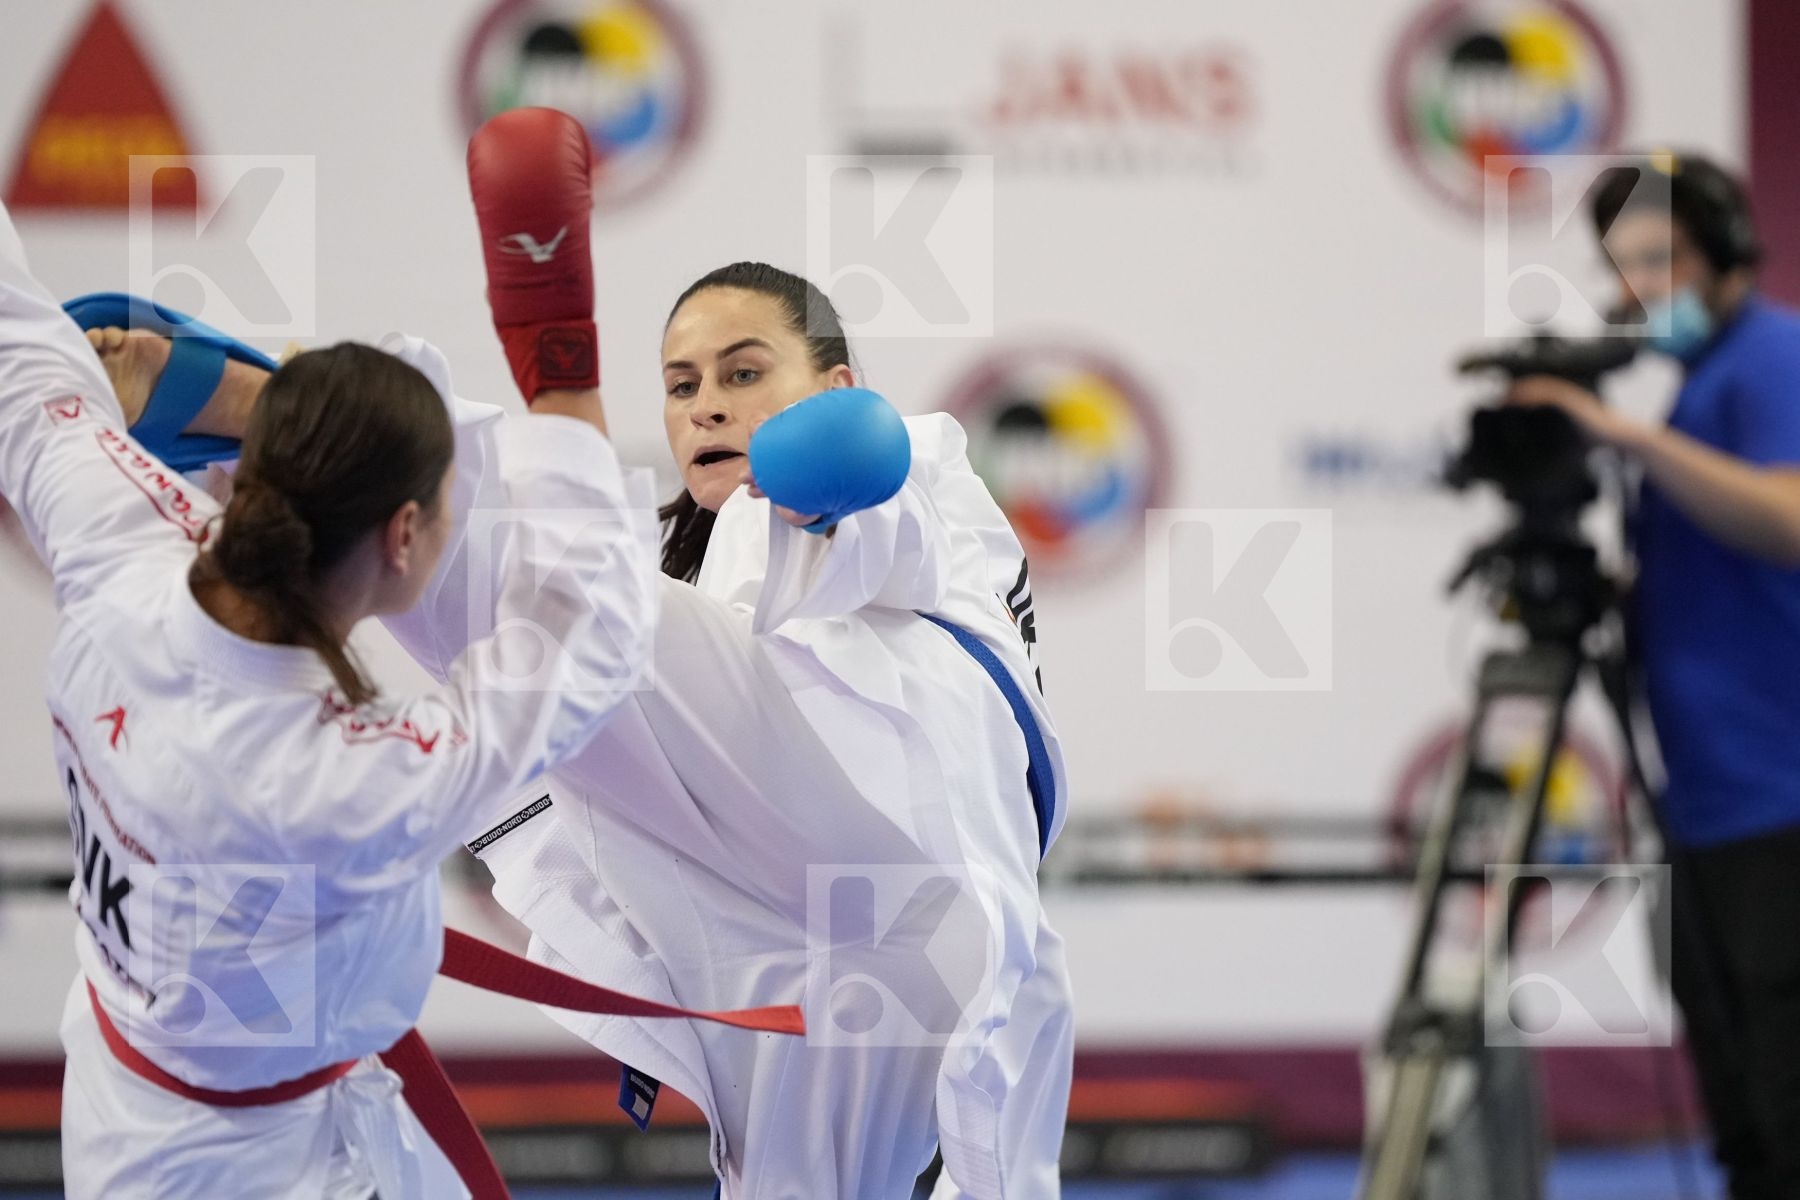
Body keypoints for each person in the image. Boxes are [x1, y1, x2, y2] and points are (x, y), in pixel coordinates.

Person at [111, 107, 1075, 1199]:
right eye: (681, 384)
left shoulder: (916, 469)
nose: (708, 401)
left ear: (839, 388)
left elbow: (880, 522)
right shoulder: (674, 567)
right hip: (790, 945)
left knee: (584, 613)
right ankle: (282, 447)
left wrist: (819, 493)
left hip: (896, 833)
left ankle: (283, 417)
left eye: (745, 371)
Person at [0, 194, 659, 1198]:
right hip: (249, 1172)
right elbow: (588, 633)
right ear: (402, 535)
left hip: (154, 1089)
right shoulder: (347, 775)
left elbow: (19, 348)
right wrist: (558, 357)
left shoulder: (118, 547)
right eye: (447, 506)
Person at [1506, 152, 1800, 1200]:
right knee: (1749, 1122)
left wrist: (1618, 435)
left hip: (1781, 804)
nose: (1642, 290)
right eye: (1623, 268)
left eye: (1661, 260)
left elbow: (1789, 516)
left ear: (1724, 254)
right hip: (1714, 808)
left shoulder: (1771, 357)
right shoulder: (1697, 389)